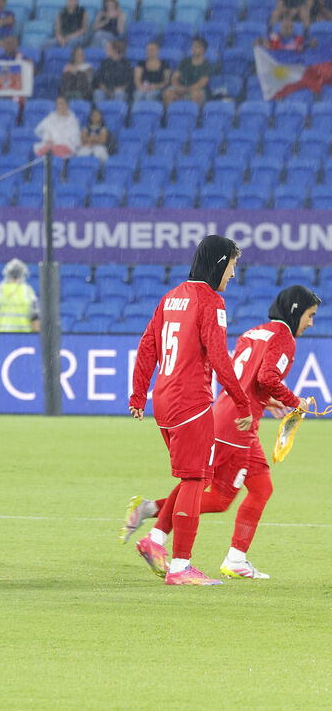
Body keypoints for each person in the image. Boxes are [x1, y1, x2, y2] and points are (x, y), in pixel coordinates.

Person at [124, 286, 320, 581]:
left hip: (228, 416)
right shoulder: (285, 339)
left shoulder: (254, 333)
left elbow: (247, 379)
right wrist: (296, 402)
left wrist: (268, 401)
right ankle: (156, 533)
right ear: (295, 311)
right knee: (213, 494)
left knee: (261, 488)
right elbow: (267, 377)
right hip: (237, 427)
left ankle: (234, 558)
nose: (311, 323)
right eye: (310, 315)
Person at [127, 234, 251, 586]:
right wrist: (241, 402)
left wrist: (139, 394)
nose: (233, 275)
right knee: (196, 479)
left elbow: (147, 345)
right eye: (232, 266)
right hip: (192, 402)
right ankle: (181, 567)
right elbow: (219, 357)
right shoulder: (210, 302)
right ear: (219, 263)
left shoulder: (171, 297)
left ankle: (156, 540)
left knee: (192, 476)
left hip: (164, 402)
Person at [0, 258, 39, 332]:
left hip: (1, 336)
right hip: (24, 337)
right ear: (23, 274)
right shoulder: (28, 292)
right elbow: (35, 319)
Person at [163, 37, 213, 106]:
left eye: (196, 46)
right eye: (192, 46)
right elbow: (174, 77)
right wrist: (178, 87)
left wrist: (186, 90)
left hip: (196, 89)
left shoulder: (207, 65)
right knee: (167, 93)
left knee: (195, 95)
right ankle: (171, 115)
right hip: (181, 87)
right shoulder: (185, 61)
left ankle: (195, 116)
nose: (192, 48)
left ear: (202, 50)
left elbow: (202, 83)